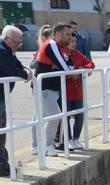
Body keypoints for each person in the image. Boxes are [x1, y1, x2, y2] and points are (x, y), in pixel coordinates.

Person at [33, 23, 72, 157]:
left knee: (39, 117)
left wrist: (63, 67)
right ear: (59, 34)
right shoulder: (52, 45)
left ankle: (36, 146)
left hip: (49, 89)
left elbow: (64, 65)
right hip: (45, 88)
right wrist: (67, 70)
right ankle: (48, 146)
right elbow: (65, 67)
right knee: (56, 116)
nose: (70, 37)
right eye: (67, 34)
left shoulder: (59, 46)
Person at [0, 26, 31, 176]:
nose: (18, 46)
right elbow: (12, 70)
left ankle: (3, 164)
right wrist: (25, 75)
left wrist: (26, 72)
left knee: (2, 132)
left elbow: (18, 65)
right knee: (1, 132)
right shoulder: (1, 50)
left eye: (20, 43)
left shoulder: (8, 51)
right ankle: (2, 165)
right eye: (16, 43)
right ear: (7, 39)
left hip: (2, 98)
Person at [61, 34, 93, 151]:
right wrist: (72, 75)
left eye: (75, 41)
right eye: (71, 41)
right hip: (66, 92)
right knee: (67, 117)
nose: (73, 44)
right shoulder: (62, 55)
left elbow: (90, 63)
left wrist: (81, 70)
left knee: (80, 115)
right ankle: (68, 139)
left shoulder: (77, 54)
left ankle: (75, 138)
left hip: (77, 91)